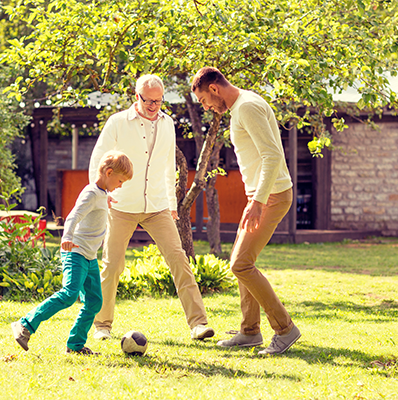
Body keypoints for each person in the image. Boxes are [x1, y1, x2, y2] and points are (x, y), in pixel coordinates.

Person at [89, 74, 214, 341]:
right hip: (121, 205)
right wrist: (99, 193)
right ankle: (102, 326)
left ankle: (198, 324)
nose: (154, 106)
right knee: (112, 265)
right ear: (137, 97)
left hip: (157, 205)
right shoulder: (118, 123)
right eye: (149, 101)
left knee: (179, 259)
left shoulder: (167, 124)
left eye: (159, 101)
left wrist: (171, 203)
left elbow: (168, 167)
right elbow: (98, 158)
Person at [191, 67, 301, 355]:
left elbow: (272, 155)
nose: (206, 106)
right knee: (241, 263)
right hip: (260, 196)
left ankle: (285, 329)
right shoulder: (241, 107)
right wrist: (254, 197)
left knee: (241, 264)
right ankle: (249, 332)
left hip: (272, 196)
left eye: (204, 100)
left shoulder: (248, 107)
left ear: (214, 89)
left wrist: (258, 201)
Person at [11, 151, 133, 355]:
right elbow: (73, 215)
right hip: (75, 251)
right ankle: (25, 324)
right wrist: (66, 237)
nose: (120, 185)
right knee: (69, 294)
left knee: (94, 301)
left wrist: (107, 202)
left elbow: (97, 206)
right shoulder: (91, 193)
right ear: (109, 172)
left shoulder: (101, 194)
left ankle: (75, 345)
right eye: (120, 181)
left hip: (89, 256)